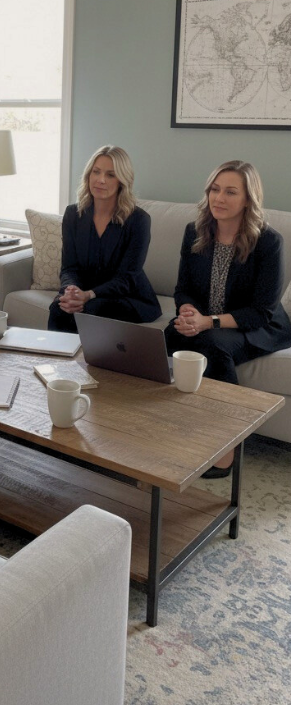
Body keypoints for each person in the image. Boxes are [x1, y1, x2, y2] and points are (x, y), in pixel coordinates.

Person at [165, 160, 291, 477]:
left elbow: (262, 309)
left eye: (230, 192)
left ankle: (225, 451)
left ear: (248, 199)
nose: (219, 198)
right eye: (215, 189)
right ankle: (171, 430)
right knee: (171, 335)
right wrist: (188, 311)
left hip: (257, 324)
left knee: (214, 347)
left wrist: (208, 322)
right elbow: (183, 289)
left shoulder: (268, 241)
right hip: (208, 319)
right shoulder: (195, 231)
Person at [48, 145, 161, 332]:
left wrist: (89, 295)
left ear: (122, 181)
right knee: (59, 308)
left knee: (90, 309)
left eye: (110, 175)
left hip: (128, 297)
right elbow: (69, 267)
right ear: (88, 176)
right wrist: (72, 290)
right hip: (84, 291)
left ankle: (88, 362)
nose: (101, 180)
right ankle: (55, 361)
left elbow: (127, 278)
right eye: (96, 172)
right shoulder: (73, 215)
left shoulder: (139, 220)